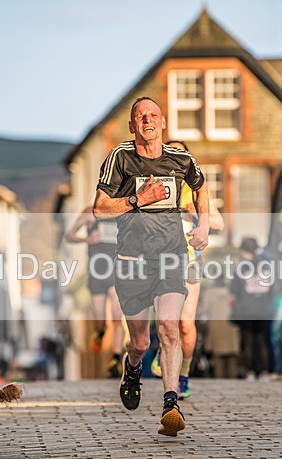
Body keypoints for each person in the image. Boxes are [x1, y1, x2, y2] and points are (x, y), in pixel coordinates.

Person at [93, 97, 212, 437]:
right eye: (139, 116)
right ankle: (133, 368)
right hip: (131, 261)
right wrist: (137, 199)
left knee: (169, 326)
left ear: (162, 123)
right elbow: (100, 209)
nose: (146, 120)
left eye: (153, 115)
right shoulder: (120, 158)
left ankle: (170, 403)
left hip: (172, 255)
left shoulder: (181, 159)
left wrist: (202, 226)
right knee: (141, 343)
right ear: (132, 126)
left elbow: (202, 188)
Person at [150, 139, 225, 398]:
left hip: (191, 260)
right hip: (160, 261)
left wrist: (199, 217)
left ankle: (183, 373)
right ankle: (166, 350)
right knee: (166, 319)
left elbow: (219, 222)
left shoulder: (195, 190)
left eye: (181, 155)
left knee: (185, 323)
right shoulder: (154, 186)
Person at [65, 206, 125, 378]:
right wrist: (87, 239)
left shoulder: (123, 211)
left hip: (117, 270)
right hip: (97, 271)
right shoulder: (90, 212)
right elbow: (69, 235)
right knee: (100, 319)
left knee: (116, 316)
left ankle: (115, 359)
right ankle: (99, 331)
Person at [229, 237, 274, 380]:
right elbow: (274, 288)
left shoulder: (241, 268)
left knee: (247, 340)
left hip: (245, 310)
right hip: (264, 310)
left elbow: (234, 291)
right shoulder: (267, 266)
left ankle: (250, 372)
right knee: (263, 341)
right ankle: (265, 372)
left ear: (243, 250)